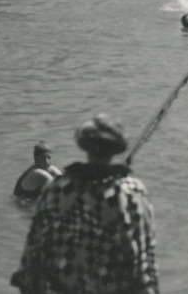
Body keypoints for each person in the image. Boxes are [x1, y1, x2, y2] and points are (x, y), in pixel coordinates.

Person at [12, 114, 157, 294]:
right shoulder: (133, 192)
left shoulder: (57, 189)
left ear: (85, 147)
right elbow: (144, 265)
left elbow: (32, 261)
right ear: (116, 150)